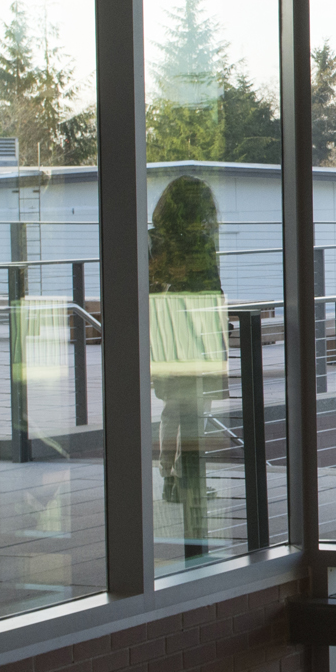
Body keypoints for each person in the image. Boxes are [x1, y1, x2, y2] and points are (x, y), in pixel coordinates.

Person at [147, 175, 228, 547]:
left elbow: (150, 286)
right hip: (198, 327)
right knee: (197, 404)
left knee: (173, 406)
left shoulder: (155, 239)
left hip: (166, 327)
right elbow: (212, 287)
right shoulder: (203, 240)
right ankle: (187, 476)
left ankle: (169, 477)